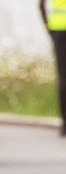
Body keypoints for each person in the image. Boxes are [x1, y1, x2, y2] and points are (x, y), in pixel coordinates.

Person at [40, 0, 66, 137]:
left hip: (58, 29)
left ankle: (65, 124)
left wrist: (48, 26)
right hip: (58, 30)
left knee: (63, 78)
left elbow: (41, 4)